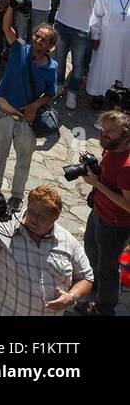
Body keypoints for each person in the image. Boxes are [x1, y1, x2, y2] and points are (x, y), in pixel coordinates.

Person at [0, 4, 59, 214]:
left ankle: (16, 196)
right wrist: (11, 6)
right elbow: (6, 27)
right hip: (3, 115)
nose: (38, 41)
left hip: (25, 121)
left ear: (51, 45)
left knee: (23, 160)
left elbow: (51, 94)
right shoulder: (18, 49)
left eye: (44, 39)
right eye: (37, 36)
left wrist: (35, 104)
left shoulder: (51, 68)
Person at [0, 185, 93, 316]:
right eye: (32, 211)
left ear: (55, 218)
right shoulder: (7, 228)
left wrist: (71, 297)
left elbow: (86, 277)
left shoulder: (68, 242)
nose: (34, 218)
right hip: (3, 309)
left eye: (42, 216)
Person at [77, 109, 130, 316]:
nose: (104, 134)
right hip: (99, 212)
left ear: (126, 136)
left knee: (109, 269)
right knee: (92, 251)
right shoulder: (111, 147)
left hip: (115, 225)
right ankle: (94, 287)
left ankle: (104, 309)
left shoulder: (127, 167)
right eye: (103, 129)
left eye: (111, 131)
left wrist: (97, 184)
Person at [84, 0, 130, 110]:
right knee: (102, 68)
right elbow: (96, 16)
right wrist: (95, 36)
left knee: (123, 69)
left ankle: (119, 98)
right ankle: (99, 95)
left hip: (126, 46)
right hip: (106, 42)